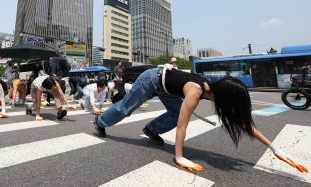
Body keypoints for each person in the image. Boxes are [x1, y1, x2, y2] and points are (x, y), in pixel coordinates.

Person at [93, 65, 309, 173]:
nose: (233, 108)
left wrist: (275, 149)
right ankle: (100, 122)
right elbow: (182, 127)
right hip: (150, 80)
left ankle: (152, 129)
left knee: (176, 112)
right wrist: (180, 158)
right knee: (125, 108)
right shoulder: (196, 92)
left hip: (167, 85)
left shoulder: (215, 91)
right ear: (225, 98)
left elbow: (243, 122)